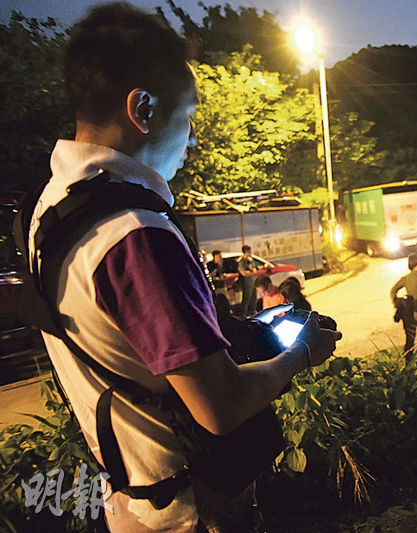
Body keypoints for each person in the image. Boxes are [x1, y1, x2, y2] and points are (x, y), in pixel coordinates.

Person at [24, 4, 341, 531]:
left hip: (134, 499)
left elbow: (140, 351)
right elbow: (220, 405)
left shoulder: (52, 209)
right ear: (143, 108)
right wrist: (303, 354)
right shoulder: (135, 236)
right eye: (189, 117)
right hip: (193, 512)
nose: (192, 139)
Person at [238, 244, 257, 316]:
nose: (250, 252)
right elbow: (243, 273)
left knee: (253, 299)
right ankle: (244, 315)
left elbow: (254, 270)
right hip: (245, 283)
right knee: (246, 300)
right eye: (249, 251)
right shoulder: (241, 261)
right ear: (246, 252)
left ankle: (253, 313)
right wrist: (251, 272)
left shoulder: (250, 260)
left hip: (252, 282)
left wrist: (251, 271)